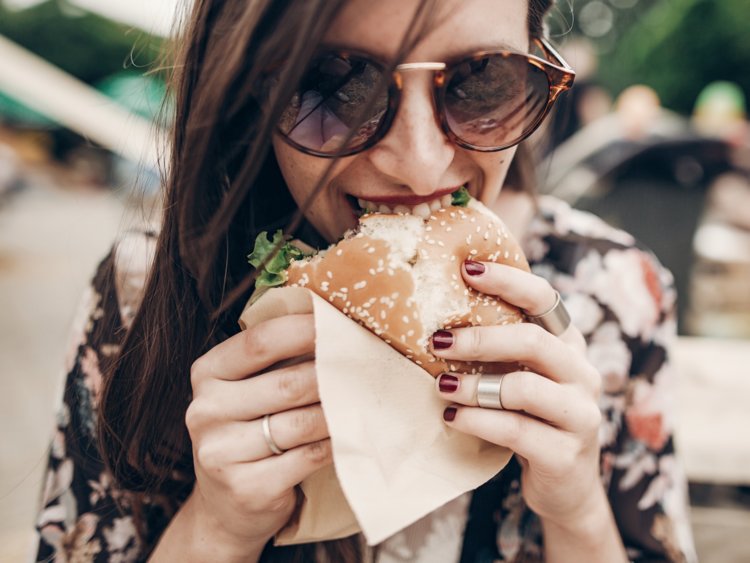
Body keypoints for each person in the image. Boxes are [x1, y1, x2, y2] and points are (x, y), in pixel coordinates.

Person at [33, 0, 697, 561]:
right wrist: (216, 527)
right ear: (246, 91)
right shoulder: (137, 294)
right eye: (333, 84)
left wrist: (578, 506)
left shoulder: (619, 292)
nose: (418, 164)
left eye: (482, 80)